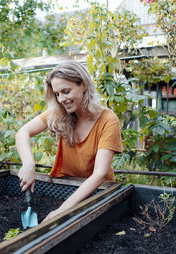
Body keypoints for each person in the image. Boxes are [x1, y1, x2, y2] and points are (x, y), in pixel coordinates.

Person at [15, 61, 122, 223]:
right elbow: (23, 132)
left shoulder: (108, 120)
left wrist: (62, 210)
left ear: (83, 85)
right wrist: (29, 164)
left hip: (97, 194)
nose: (61, 99)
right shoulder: (60, 113)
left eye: (66, 91)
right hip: (65, 188)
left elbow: (99, 174)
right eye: (57, 94)